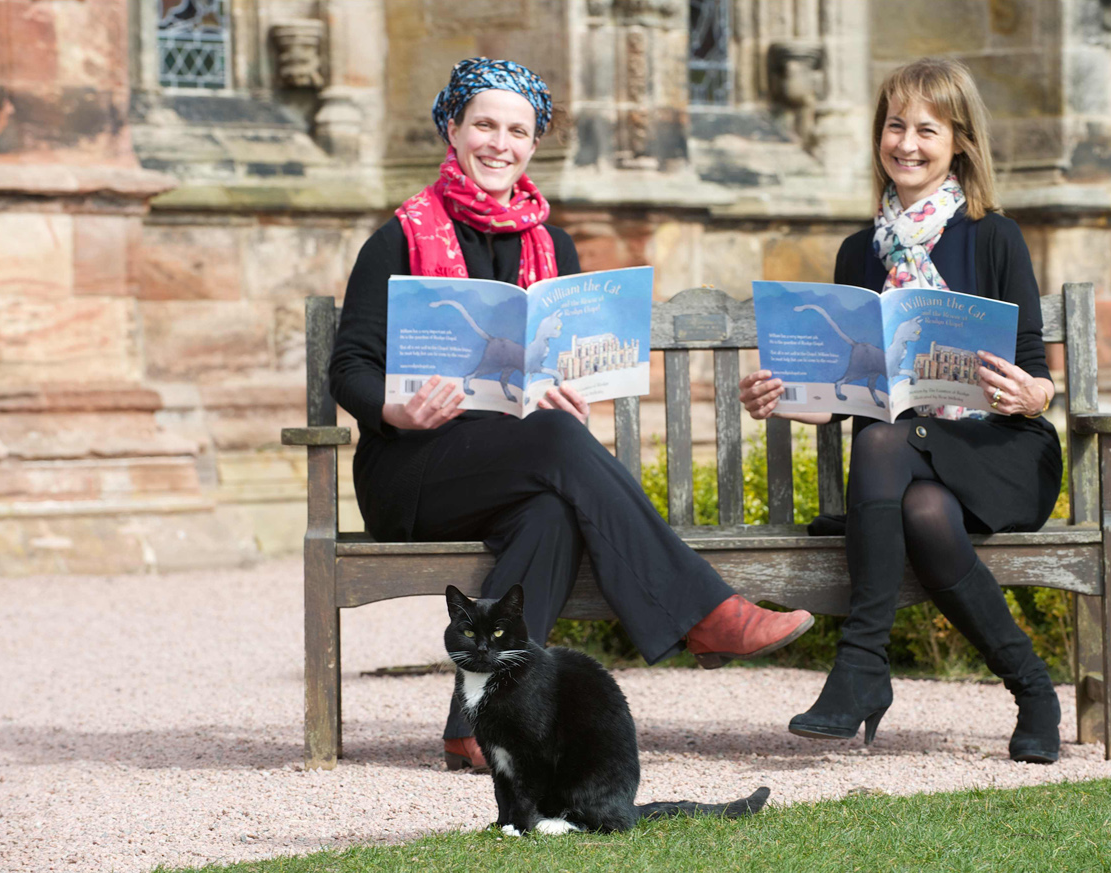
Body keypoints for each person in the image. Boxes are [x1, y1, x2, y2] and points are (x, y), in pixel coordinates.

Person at [329, 58, 814, 773]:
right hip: (413, 471)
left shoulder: (550, 245)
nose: (499, 142)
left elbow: (558, 361)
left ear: (533, 144)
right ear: (452, 129)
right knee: (554, 441)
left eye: (517, 130)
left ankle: (472, 725)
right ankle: (706, 613)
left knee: (551, 511)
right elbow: (349, 368)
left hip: (515, 465)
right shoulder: (399, 237)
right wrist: (395, 407)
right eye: (484, 124)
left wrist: (566, 383)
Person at [738, 57, 1064, 763]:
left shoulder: (993, 235)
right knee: (917, 502)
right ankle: (1033, 689)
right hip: (908, 472)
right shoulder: (859, 252)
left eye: (926, 129)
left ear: (958, 144)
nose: (906, 143)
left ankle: (860, 666)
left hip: (997, 451)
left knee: (884, 439)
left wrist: (1030, 392)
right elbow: (839, 393)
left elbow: (1036, 371)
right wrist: (779, 397)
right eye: (894, 125)